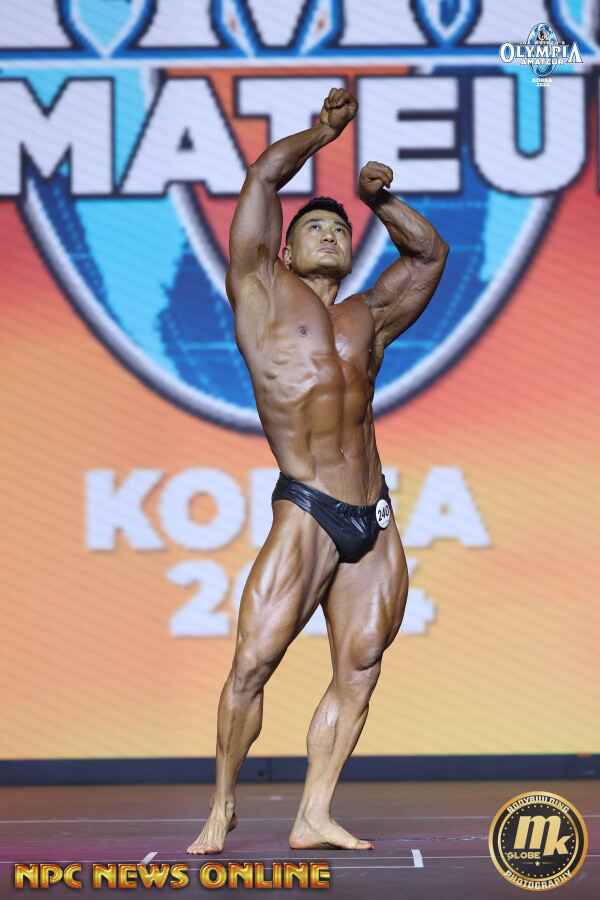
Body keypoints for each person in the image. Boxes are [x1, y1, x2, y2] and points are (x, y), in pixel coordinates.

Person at [187, 87, 449, 854]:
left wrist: (382, 200)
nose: (330, 234)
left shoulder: (370, 316)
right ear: (284, 249)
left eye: (339, 229)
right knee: (252, 664)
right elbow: (263, 179)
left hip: (373, 513)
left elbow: (429, 256)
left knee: (361, 667)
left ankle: (314, 813)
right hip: (307, 506)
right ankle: (222, 806)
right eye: (315, 227)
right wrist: (321, 134)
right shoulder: (260, 292)